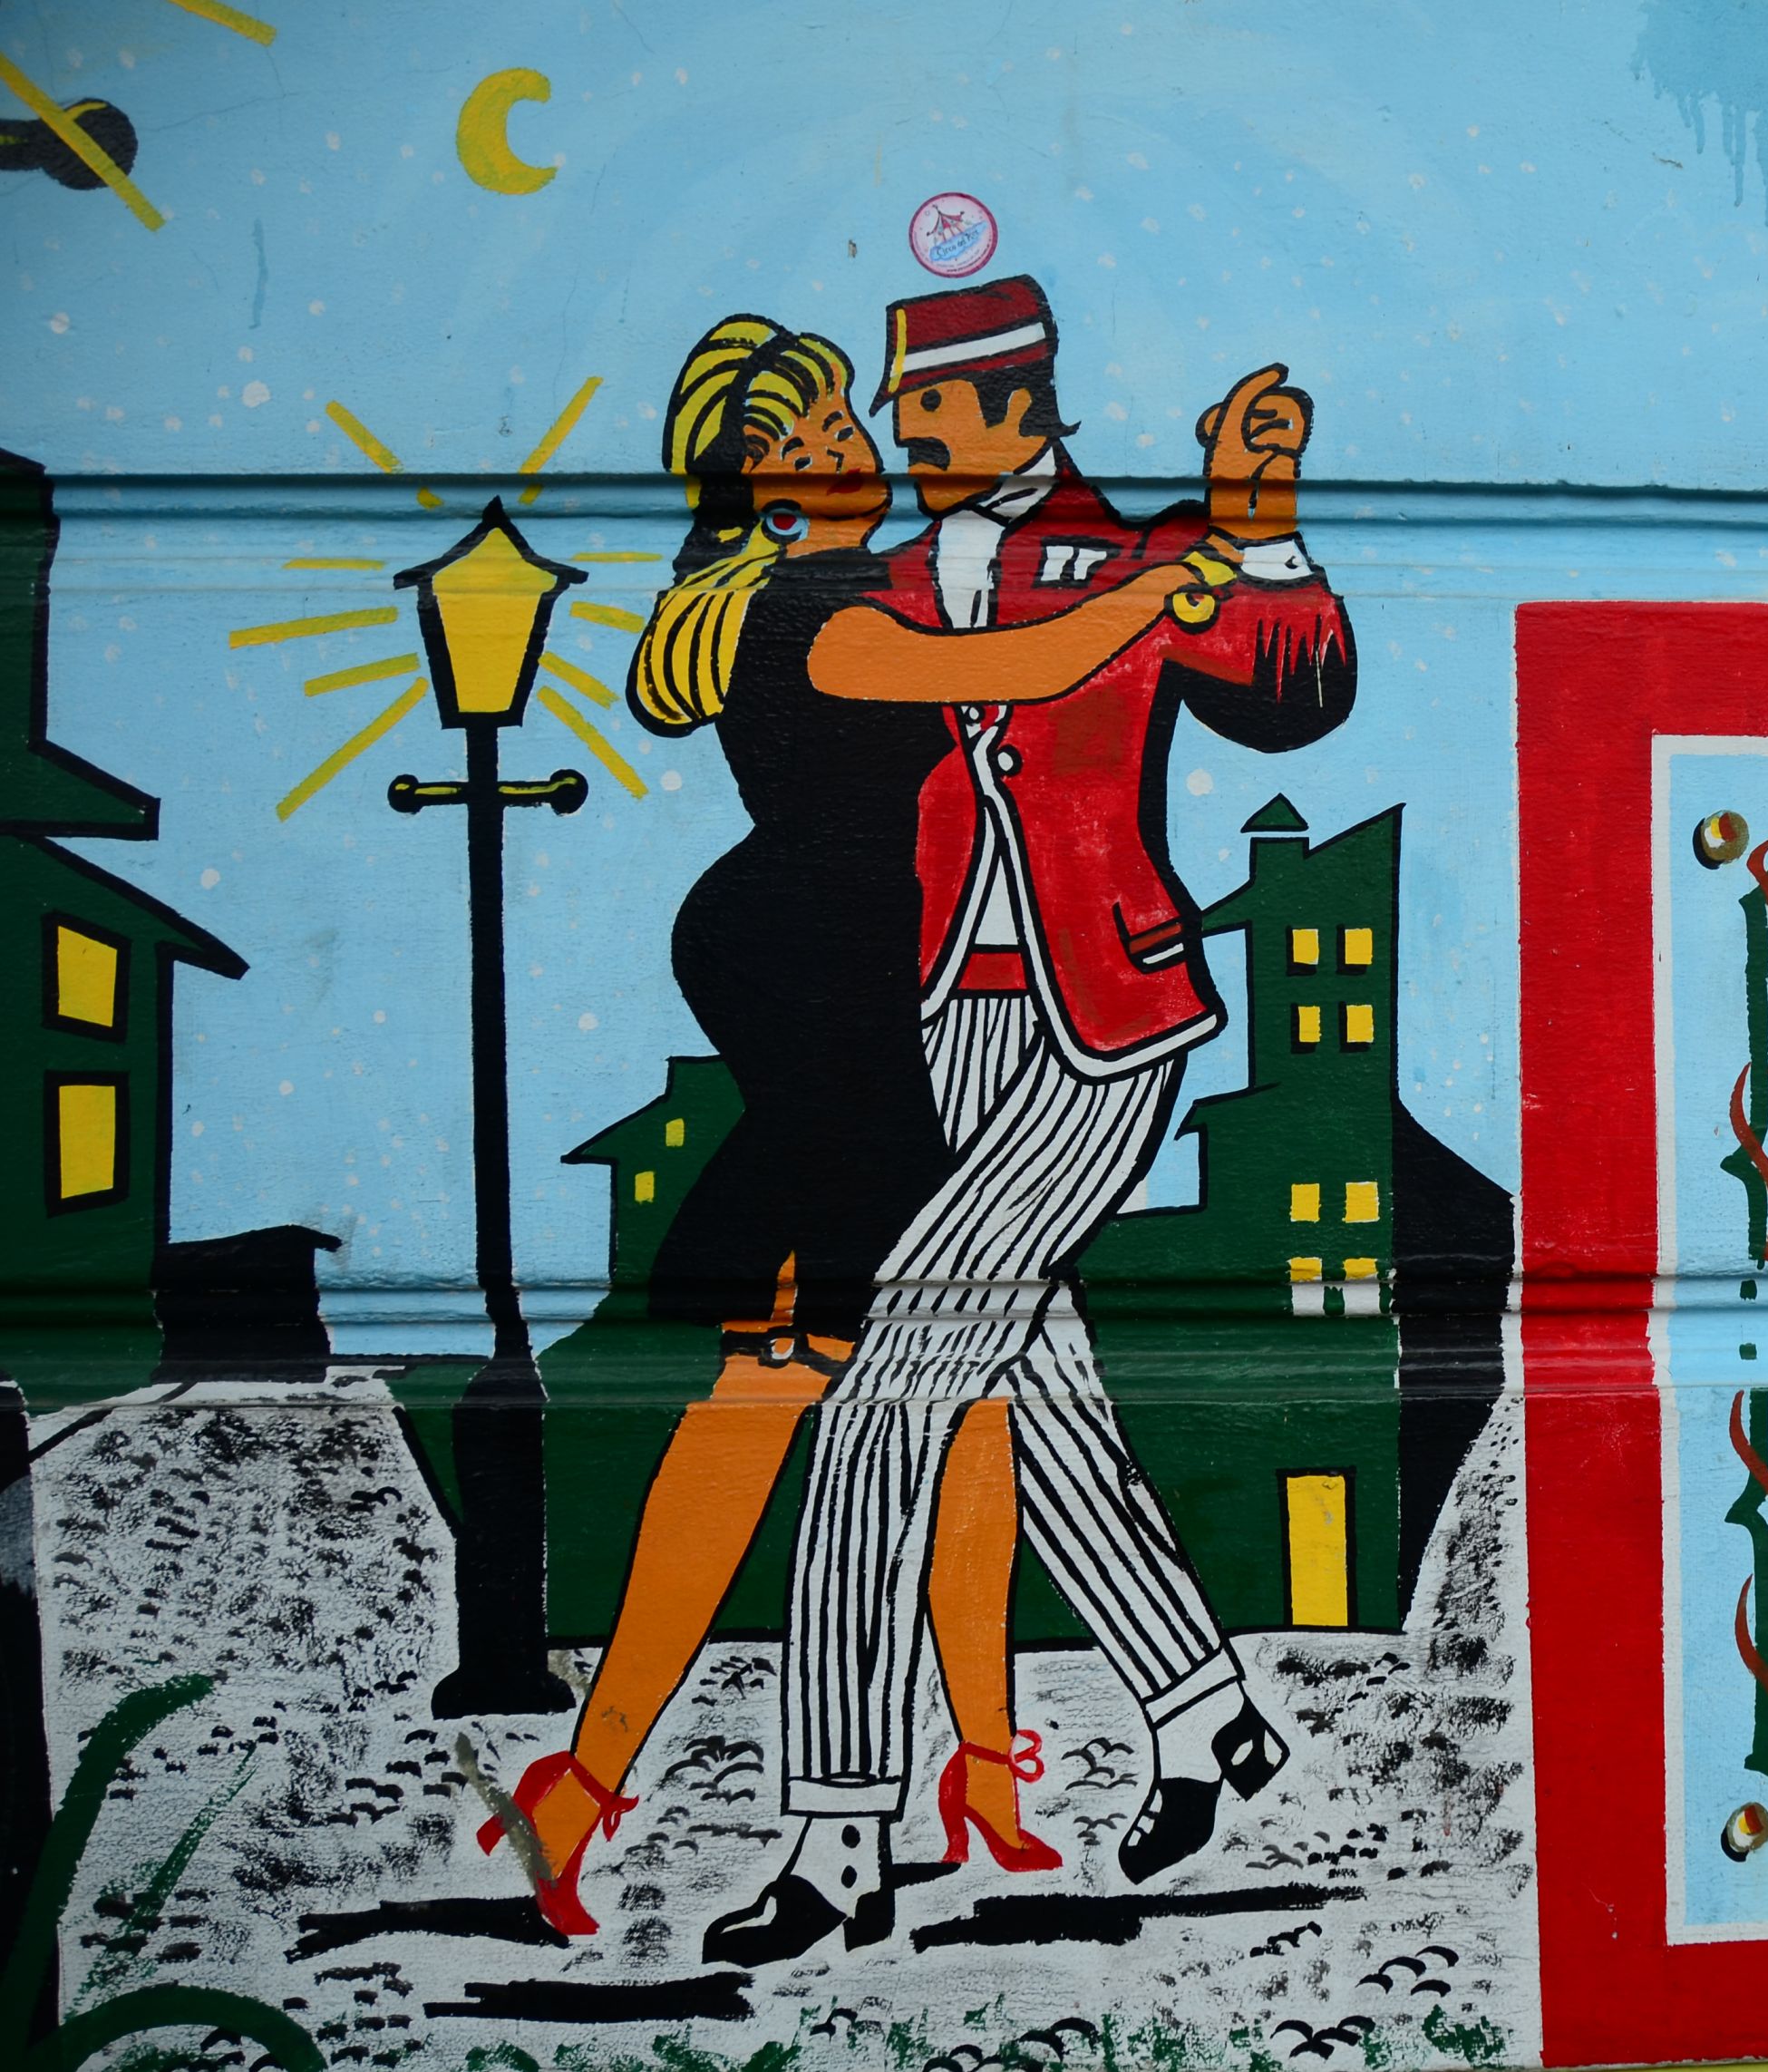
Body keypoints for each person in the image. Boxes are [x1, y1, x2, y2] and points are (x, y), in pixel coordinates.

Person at [481, 315, 1207, 1944]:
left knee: (958, 1378)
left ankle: (980, 1765)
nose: (852, 436)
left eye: (842, 412)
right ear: (766, 480)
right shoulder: (811, 605)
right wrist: (1162, 583)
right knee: (812, 1381)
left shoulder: (841, 582)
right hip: (837, 992)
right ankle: (593, 1785)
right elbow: (1011, 672)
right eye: (810, 429)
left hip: (860, 978)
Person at [704, 275, 1355, 1966]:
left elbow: (1292, 684)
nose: (904, 432)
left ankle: (838, 1835)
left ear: (1019, 399)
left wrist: (1261, 530)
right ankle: (1206, 1711)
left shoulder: (1140, 548)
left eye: (929, 405)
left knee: (886, 1396)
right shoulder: (882, 584)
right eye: (897, 406)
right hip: (945, 1019)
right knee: (1032, 1384)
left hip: (1104, 1019)